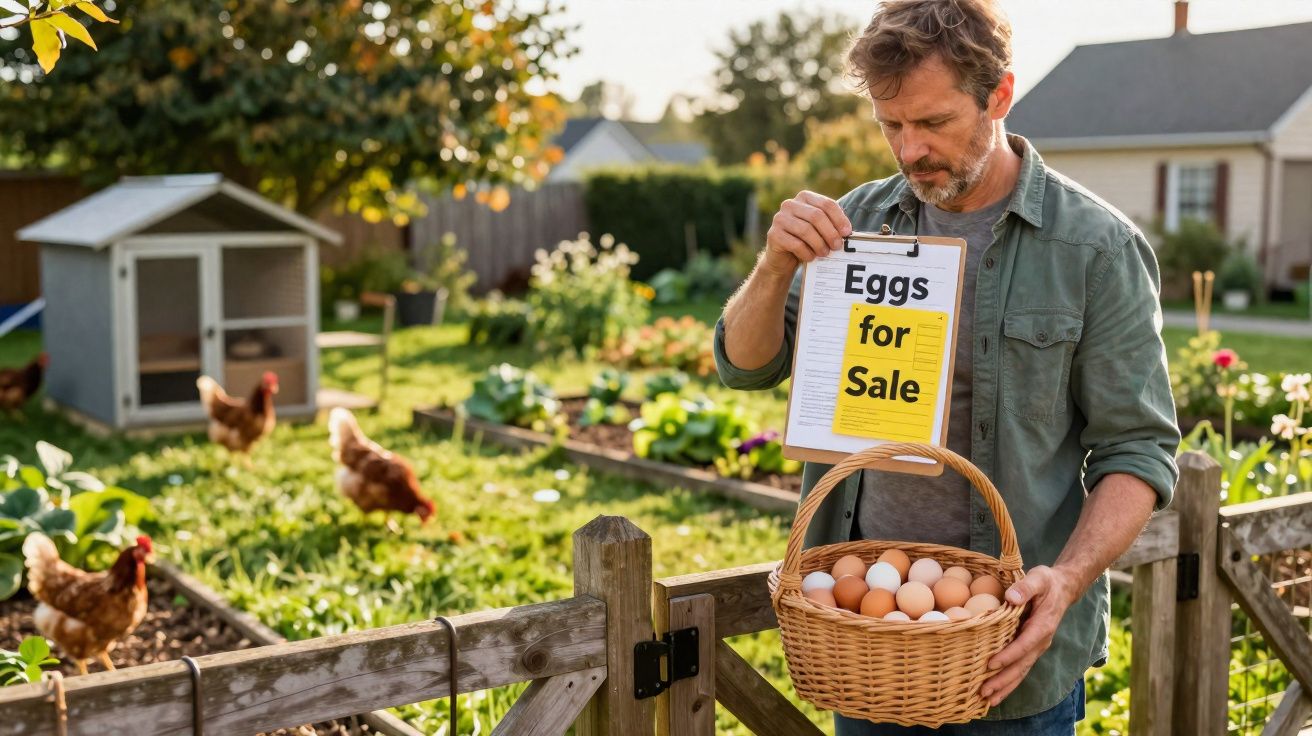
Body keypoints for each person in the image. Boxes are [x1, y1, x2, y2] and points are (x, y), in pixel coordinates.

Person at [714, 0, 1181, 733]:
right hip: (867, 640)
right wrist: (774, 266)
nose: (909, 150)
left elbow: (1138, 449)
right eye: (890, 125)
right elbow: (746, 367)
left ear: (999, 96)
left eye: (933, 122)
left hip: (1012, 649)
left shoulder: (1095, 250)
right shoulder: (854, 226)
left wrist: (1067, 579)